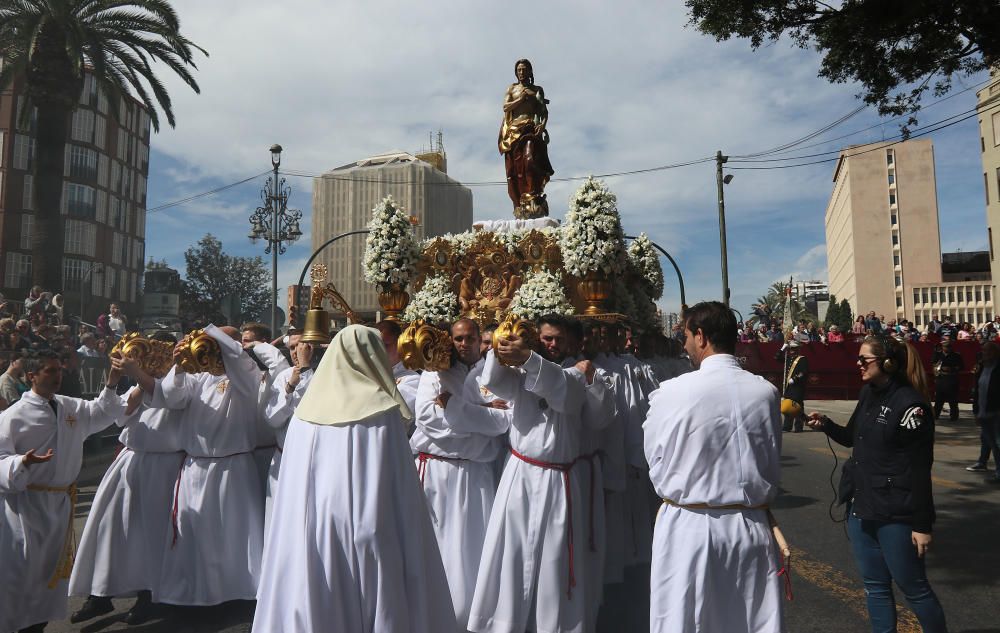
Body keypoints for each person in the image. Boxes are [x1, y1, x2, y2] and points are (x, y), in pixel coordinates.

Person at [253, 325, 457, 633]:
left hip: (313, 526)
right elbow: (398, 482)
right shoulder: (381, 411)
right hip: (369, 524)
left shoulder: (304, 412)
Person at [642, 302, 783, 633]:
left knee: (685, 621)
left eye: (686, 336)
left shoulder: (671, 392)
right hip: (750, 525)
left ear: (701, 336)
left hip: (689, 526)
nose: (685, 344)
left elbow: (655, 459)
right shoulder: (766, 392)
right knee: (748, 621)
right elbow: (770, 454)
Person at [468, 314, 603, 633]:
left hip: (559, 481)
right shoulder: (521, 372)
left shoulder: (576, 373)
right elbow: (495, 381)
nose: (551, 344)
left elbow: (565, 394)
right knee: (513, 554)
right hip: (522, 477)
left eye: (557, 338)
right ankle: (506, 623)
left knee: (554, 563)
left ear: (571, 341)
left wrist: (530, 358)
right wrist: (501, 349)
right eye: (545, 338)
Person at [808, 335, 947, 633]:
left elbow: (920, 469)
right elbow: (850, 437)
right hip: (861, 506)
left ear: (887, 363)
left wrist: (922, 525)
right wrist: (827, 424)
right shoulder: (868, 393)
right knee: (874, 586)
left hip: (896, 513)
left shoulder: (912, 406)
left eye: (864, 360)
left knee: (915, 589)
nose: (857, 364)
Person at [0, 350, 132, 633]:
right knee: (23, 572)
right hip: (27, 506)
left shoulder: (69, 406)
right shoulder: (13, 416)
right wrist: (22, 461)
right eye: (49, 370)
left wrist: (111, 382)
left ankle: (37, 625)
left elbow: (102, 412)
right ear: (31, 376)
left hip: (60, 503)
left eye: (59, 370)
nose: (57, 375)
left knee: (50, 573)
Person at [69, 334, 179, 626]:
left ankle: (150, 595)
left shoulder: (179, 382)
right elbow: (115, 415)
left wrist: (145, 379)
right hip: (129, 460)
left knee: (151, 534)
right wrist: (113, 380)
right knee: (109, 529)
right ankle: (101, 594)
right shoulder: (141, 386)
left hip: (163, 466)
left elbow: (170, 398)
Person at [411, 318, 512, 631]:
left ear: (480, 339)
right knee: (438, 546)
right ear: (449, 340)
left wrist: (456, 408)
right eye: (458, 338)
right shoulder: (434, 373)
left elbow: (505, 420)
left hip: (477, 474)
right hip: (439, 472)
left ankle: (471, 615)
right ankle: (430, 611)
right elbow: (428, 418)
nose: (464, 344)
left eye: (470, 338)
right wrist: (481, 414)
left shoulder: (495, 374)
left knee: (474, 549)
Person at [154, 325, 264, 607]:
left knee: (233, 536)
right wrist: (178, 367)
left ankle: (237, 594)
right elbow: (171, 398)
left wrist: (211, 331)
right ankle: (195, 594)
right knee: (195, 536)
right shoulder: (198, 376)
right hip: (195, 467)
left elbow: (239, 360)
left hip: (233, 467)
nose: (208, 348)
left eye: (216, 343)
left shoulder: (245, 375)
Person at [499, 58, 554, 218]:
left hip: (530, 130)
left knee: (530, 160)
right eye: (519, 70)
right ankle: (520, 203)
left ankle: (534, 197)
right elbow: (505, 107)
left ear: (530, 72)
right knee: (514, 170)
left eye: (524, 69)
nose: (521, 72)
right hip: (513, 133)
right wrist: (520, 99)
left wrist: (542, 125)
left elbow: (544, 112)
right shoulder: (512, 88)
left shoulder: (537, 89)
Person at [968, 341, 1000, 482]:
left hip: (996, 412)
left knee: (998, 443)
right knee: (989, 441)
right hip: (983, 412)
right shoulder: (981, 368)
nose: (985, 354)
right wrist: (976, 411)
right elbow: (978, 391)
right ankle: (983, 462)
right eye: (984, 351)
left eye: (989, 351)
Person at [374, 320, 420, 415]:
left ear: (399, 344)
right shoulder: (369, 373)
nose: (380, 350)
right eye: (375, 346)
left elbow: (400, 414)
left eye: (386, 345)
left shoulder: (412, 379)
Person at [931, 337, 963, 421]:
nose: (947, 348)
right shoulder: (938, 355)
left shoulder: (956, 355)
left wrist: (952, 369)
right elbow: (933, 364)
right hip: (941, 379)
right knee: (938, 400)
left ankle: (954, 416)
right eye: (945, 346)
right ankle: (935, 415)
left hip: (951, 379)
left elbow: (961, 366)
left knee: (953, 400)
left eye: (949, 346)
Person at [782, 341, 809, 432]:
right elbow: (776, 358)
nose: (792, 350)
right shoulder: (787, 358)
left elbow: (803, 372)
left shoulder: (802, 359)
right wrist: (783, 349)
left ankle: (798, 426)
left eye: (794, 348)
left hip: (797, 387)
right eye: (791, 348)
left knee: (798, 406)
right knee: (788, 406)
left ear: (797, 349)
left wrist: (795, 379)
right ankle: (787, 426)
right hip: (789, 387)